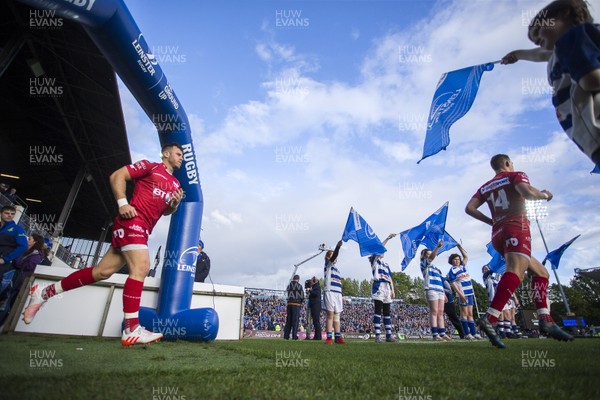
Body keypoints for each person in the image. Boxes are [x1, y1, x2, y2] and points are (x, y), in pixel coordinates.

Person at [21, 143, 184, 347]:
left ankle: (44, 292)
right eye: (178, 154)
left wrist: (174, 205)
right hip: (132, 221)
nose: (181, 158)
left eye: (183, 156)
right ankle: (131, 329)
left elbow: (166, 211)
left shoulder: (176, 184)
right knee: (141, 268)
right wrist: (122, 203)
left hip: (144, 229)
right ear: (166, 154)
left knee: (101, 272)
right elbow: (117, 176)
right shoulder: (150, 167)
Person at [466, 154, 573, 348]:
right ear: (507, 163)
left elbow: (470, 208)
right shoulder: (516, 175)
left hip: (498, 233)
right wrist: (545, 195)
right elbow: (528, 192)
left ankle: (545, 319)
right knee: (515, 272)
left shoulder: (485, 187)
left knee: (541, 272)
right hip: (516, 227)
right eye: (511, 163)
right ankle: (490, 318)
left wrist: (492, 221)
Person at [501, 0, 600, 168]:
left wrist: (588, 77)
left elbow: (593, 80)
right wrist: (517, 54)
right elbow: (540, 54)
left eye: (538, 29)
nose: (535, 39)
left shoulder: (573, 37)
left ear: (564, 14)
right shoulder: (561, 50)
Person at [446, 244, 481, 340]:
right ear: (451, 261)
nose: (457, 261)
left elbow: (466, 256)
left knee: (470, 313)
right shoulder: (452, 270)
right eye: (455, 259)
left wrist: (459, 247)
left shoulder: (462, 267)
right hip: (463, 293)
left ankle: (474, 333)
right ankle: (467, 333)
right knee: (464, 313)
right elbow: (453, 283)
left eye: (458, 259)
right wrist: (460, 294)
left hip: (470, 293)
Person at [420, 240, 451, 341]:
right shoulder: (424, 264)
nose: (430, 255)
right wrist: (437, 247)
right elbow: (431, 258)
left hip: (440, 290)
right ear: (424, 256)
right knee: (434, 311)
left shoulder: (436, 268)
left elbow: (440, 281)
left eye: (430, 254)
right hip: (431, 289)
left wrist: (444, 293)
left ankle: (442, 333)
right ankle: (435, 333)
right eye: (428, 254)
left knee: (441, 312)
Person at [369, 233, 398, 343]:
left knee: (387, 312)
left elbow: (390, 278)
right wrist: (387, 239)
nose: (383, 252)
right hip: (378, 286)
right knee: (378, 311)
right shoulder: (375, 261)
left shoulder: (386, 264)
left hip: (387, 287)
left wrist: (393, 289)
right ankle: (377, 335)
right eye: (382, 251)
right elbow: (379, 249)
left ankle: (388, 335)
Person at [323, 240, 346, 344]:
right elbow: (333, 256)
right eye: (332, 255)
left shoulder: (337, 269)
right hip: (330, 291)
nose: (335, 257)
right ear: (328, 257)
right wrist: (338, 247)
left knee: (337, 316)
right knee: (330, 315)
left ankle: (337, 337)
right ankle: (329, 337)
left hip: (338, 293)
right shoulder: (328, 265)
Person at [0, 205, 28, 279]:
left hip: (3, 263)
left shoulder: (17, 229)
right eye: (7, 213)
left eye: (12, 214)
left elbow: (23, 246)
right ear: (1, 213)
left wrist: (5, 259)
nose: (9, 215)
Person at [283, 274, 304, 340]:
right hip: (296, 305)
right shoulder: (299, 286)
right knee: (295, 321)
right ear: (298, 279)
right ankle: (294, 336)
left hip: (289, 304)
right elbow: (302, 296)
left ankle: (286, 336)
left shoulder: (289, 286)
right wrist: (300, 302)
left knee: (288, 320)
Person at [306, 276, 322, 340]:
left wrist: (310, 290)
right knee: (315, 321)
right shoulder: (315, 287)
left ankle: (318, 336)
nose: (310, 282)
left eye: (311, 281)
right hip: (314, 305)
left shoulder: (317, 287)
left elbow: (316, 294)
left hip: (316, 305)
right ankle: (317, 336)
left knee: (316, 321)